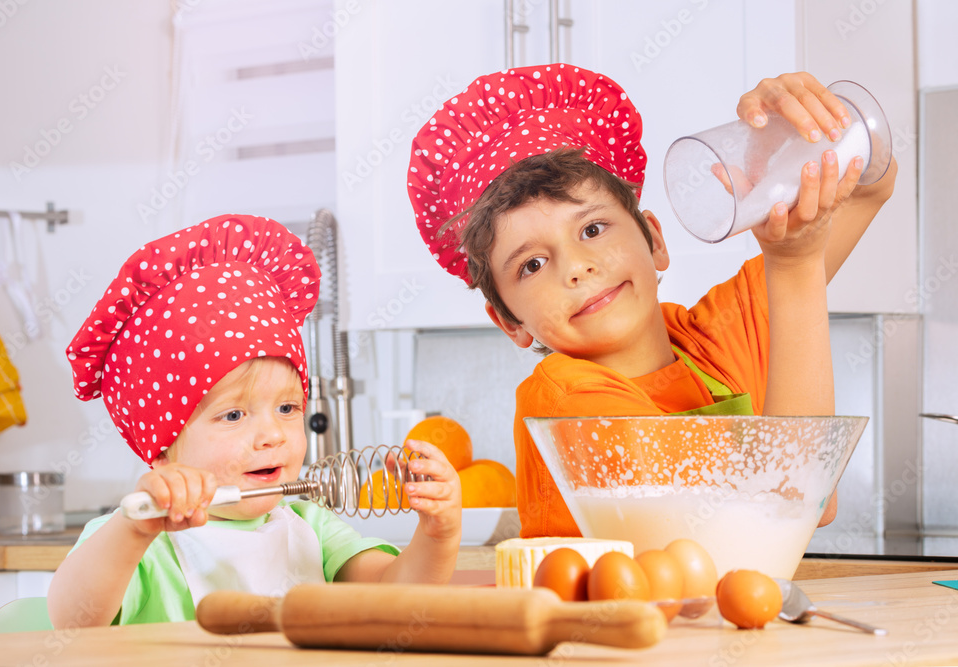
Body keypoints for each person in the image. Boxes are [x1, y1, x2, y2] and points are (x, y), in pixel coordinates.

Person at [407, 64, 896, 538]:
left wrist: (799, 138)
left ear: (654, 241)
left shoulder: (708, 342)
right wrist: (793, 264)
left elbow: (870, 179)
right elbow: (785, 505)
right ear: (510, 321)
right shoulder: (568, 401)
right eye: (531, 265)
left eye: (592, 229)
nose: (576, 267)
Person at [47, 215, 461, 628]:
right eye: (233, 414)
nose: (272, 435)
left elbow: (396, 602)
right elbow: (73, 622)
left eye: (287, 408)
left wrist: (437, 536)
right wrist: (133, 532)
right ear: (163, 449)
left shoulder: (311, 527)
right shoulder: (139, 538)